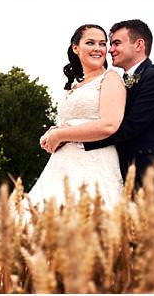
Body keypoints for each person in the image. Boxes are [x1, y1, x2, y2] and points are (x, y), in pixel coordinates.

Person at [27, 24, 126, 207]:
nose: (98, 48)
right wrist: (52, 133)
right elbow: (73, 122)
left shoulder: (110, 78)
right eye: (90, 43)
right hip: (60, 167)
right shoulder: (75, 85)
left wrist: (60, 135)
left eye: (102, 44)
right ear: (76, 48)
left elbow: (109, 125)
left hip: (94, 163)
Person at [83, 19, 154, 189]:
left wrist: (79, 141)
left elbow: (130, 126)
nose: (110, 50)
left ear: (139, 44)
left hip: (149, 172)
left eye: (116, 43)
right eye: (110, 44)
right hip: (118, 169)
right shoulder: (118, 82)